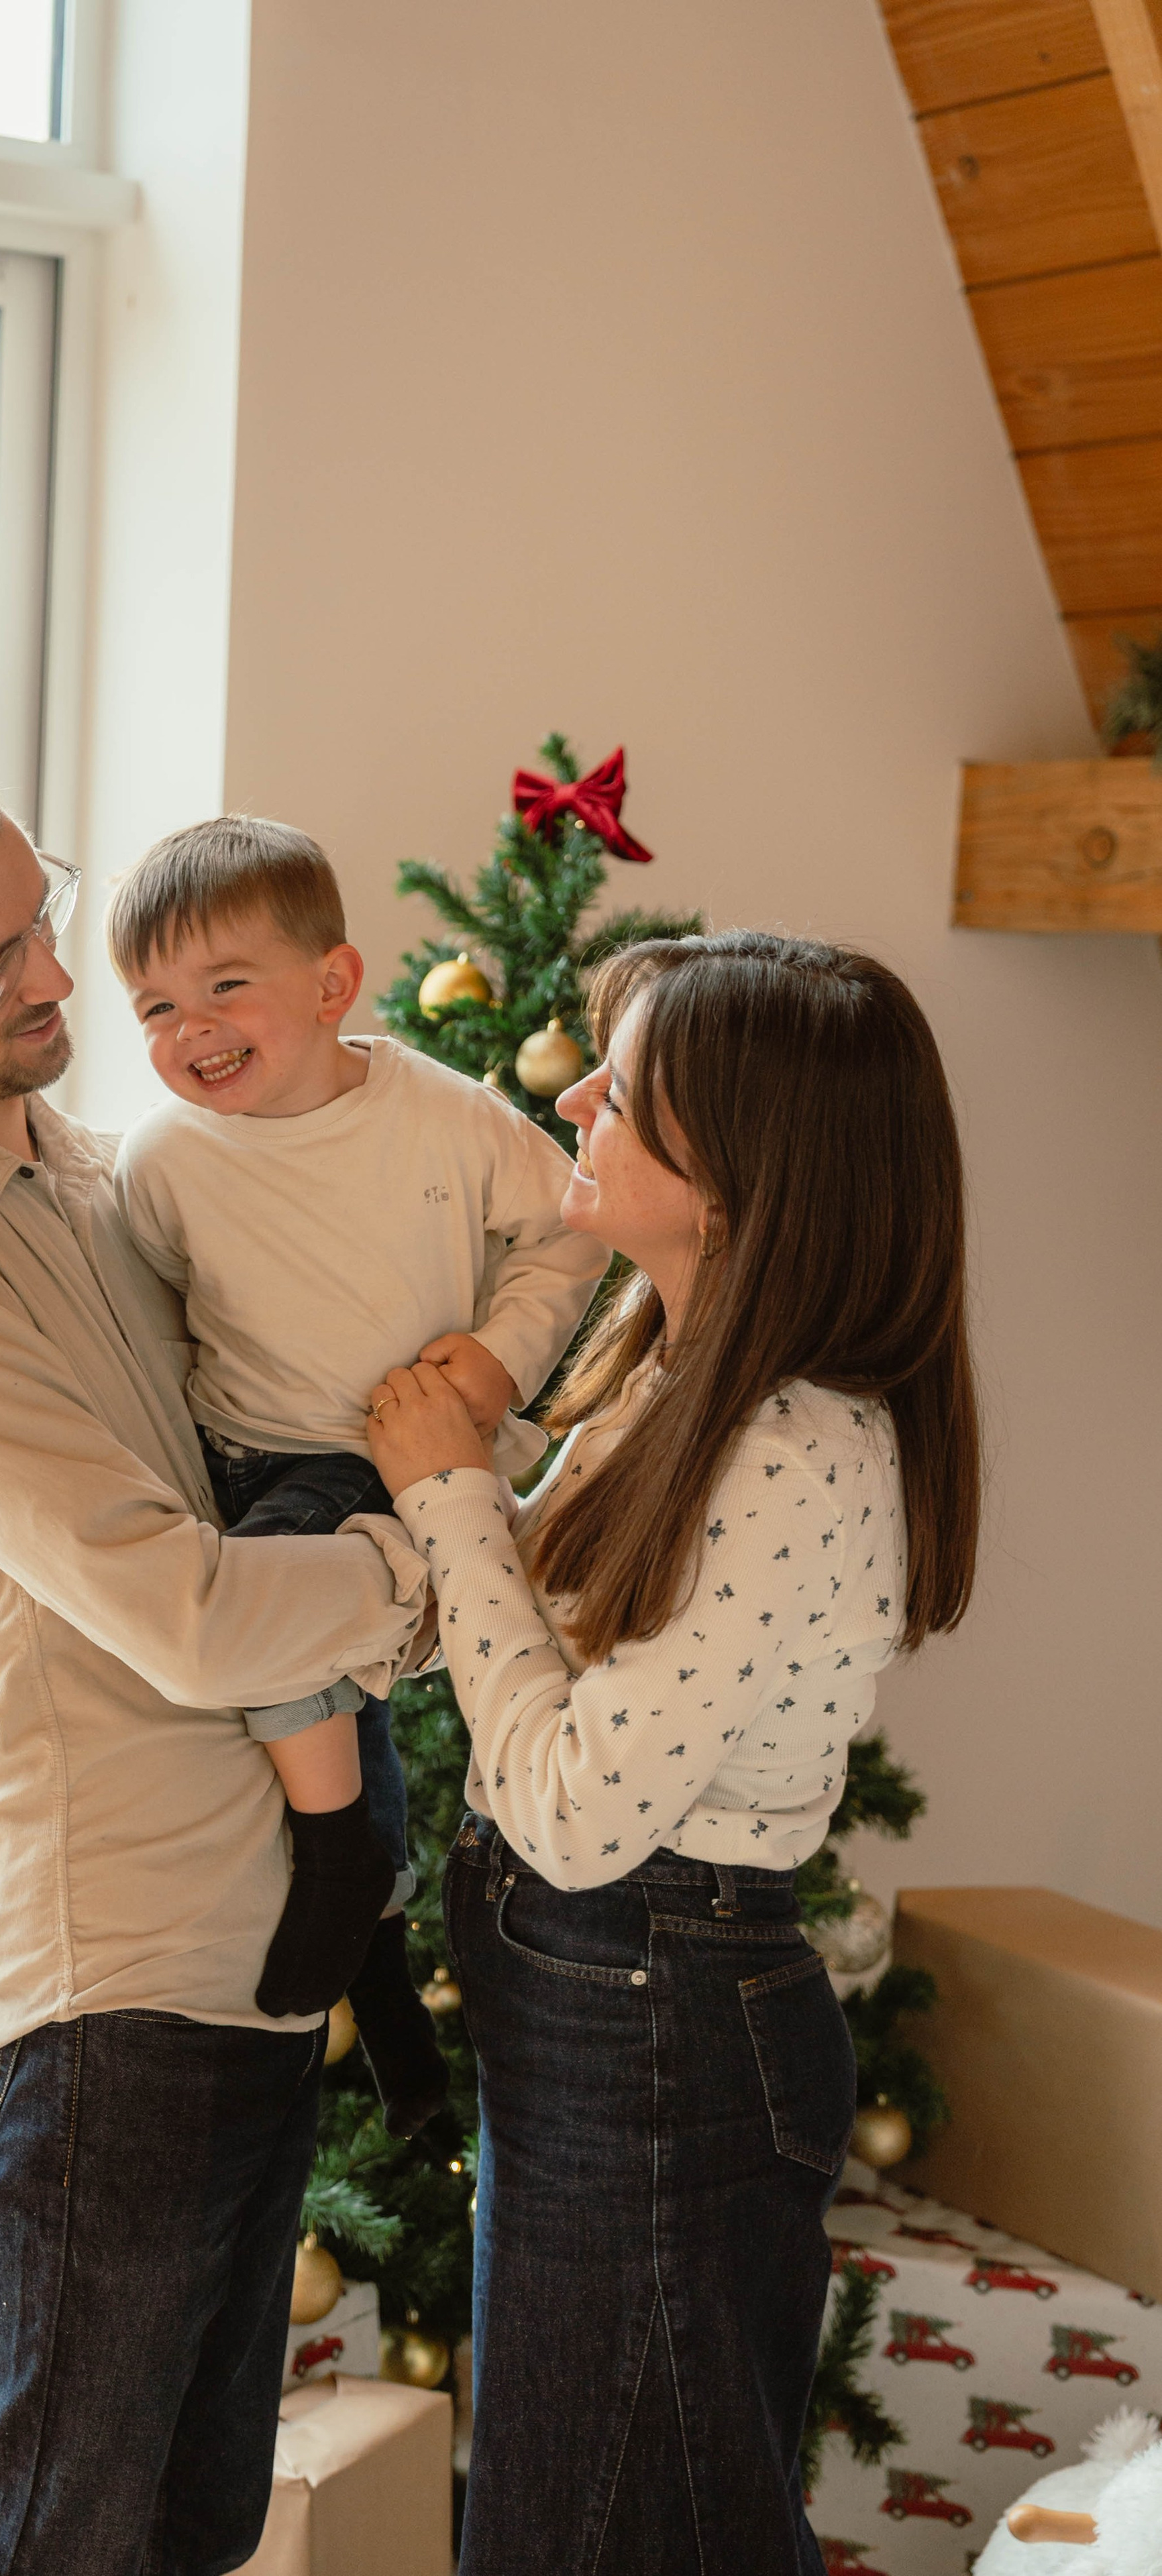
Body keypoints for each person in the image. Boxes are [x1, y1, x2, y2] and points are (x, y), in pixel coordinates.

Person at [0, 724, 431, 2576]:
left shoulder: (102, 1175)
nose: (52, 978)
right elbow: (193, 1615)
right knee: (62, 2539)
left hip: (245, 1944)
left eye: (40, 915)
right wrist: (444, 1568)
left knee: (184, 2525)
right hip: (102, 1976)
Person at [363, 929, 981, 2576]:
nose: (571, 1098)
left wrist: (451, 1498)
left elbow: (571, 1812)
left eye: (622, 1094)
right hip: (598, 2008)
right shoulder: (659, 1351)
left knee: (617, 2531)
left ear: (739, 1177)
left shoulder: (797, 1448)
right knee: (591, 2516)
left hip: (652, 2016)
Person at [107, 814, 607, 2133]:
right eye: (153, 1003)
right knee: (339, 1723)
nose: (188, 1027)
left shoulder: (437, 1118)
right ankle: (396, 2034)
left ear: (332, 985)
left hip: (382, 1449)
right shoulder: (159, 1163)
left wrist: (496, 1366)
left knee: (269, 1624)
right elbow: (147, 1319)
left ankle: (338, 1860)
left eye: (224, 986)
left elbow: (563, 1234)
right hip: (239, 1448)